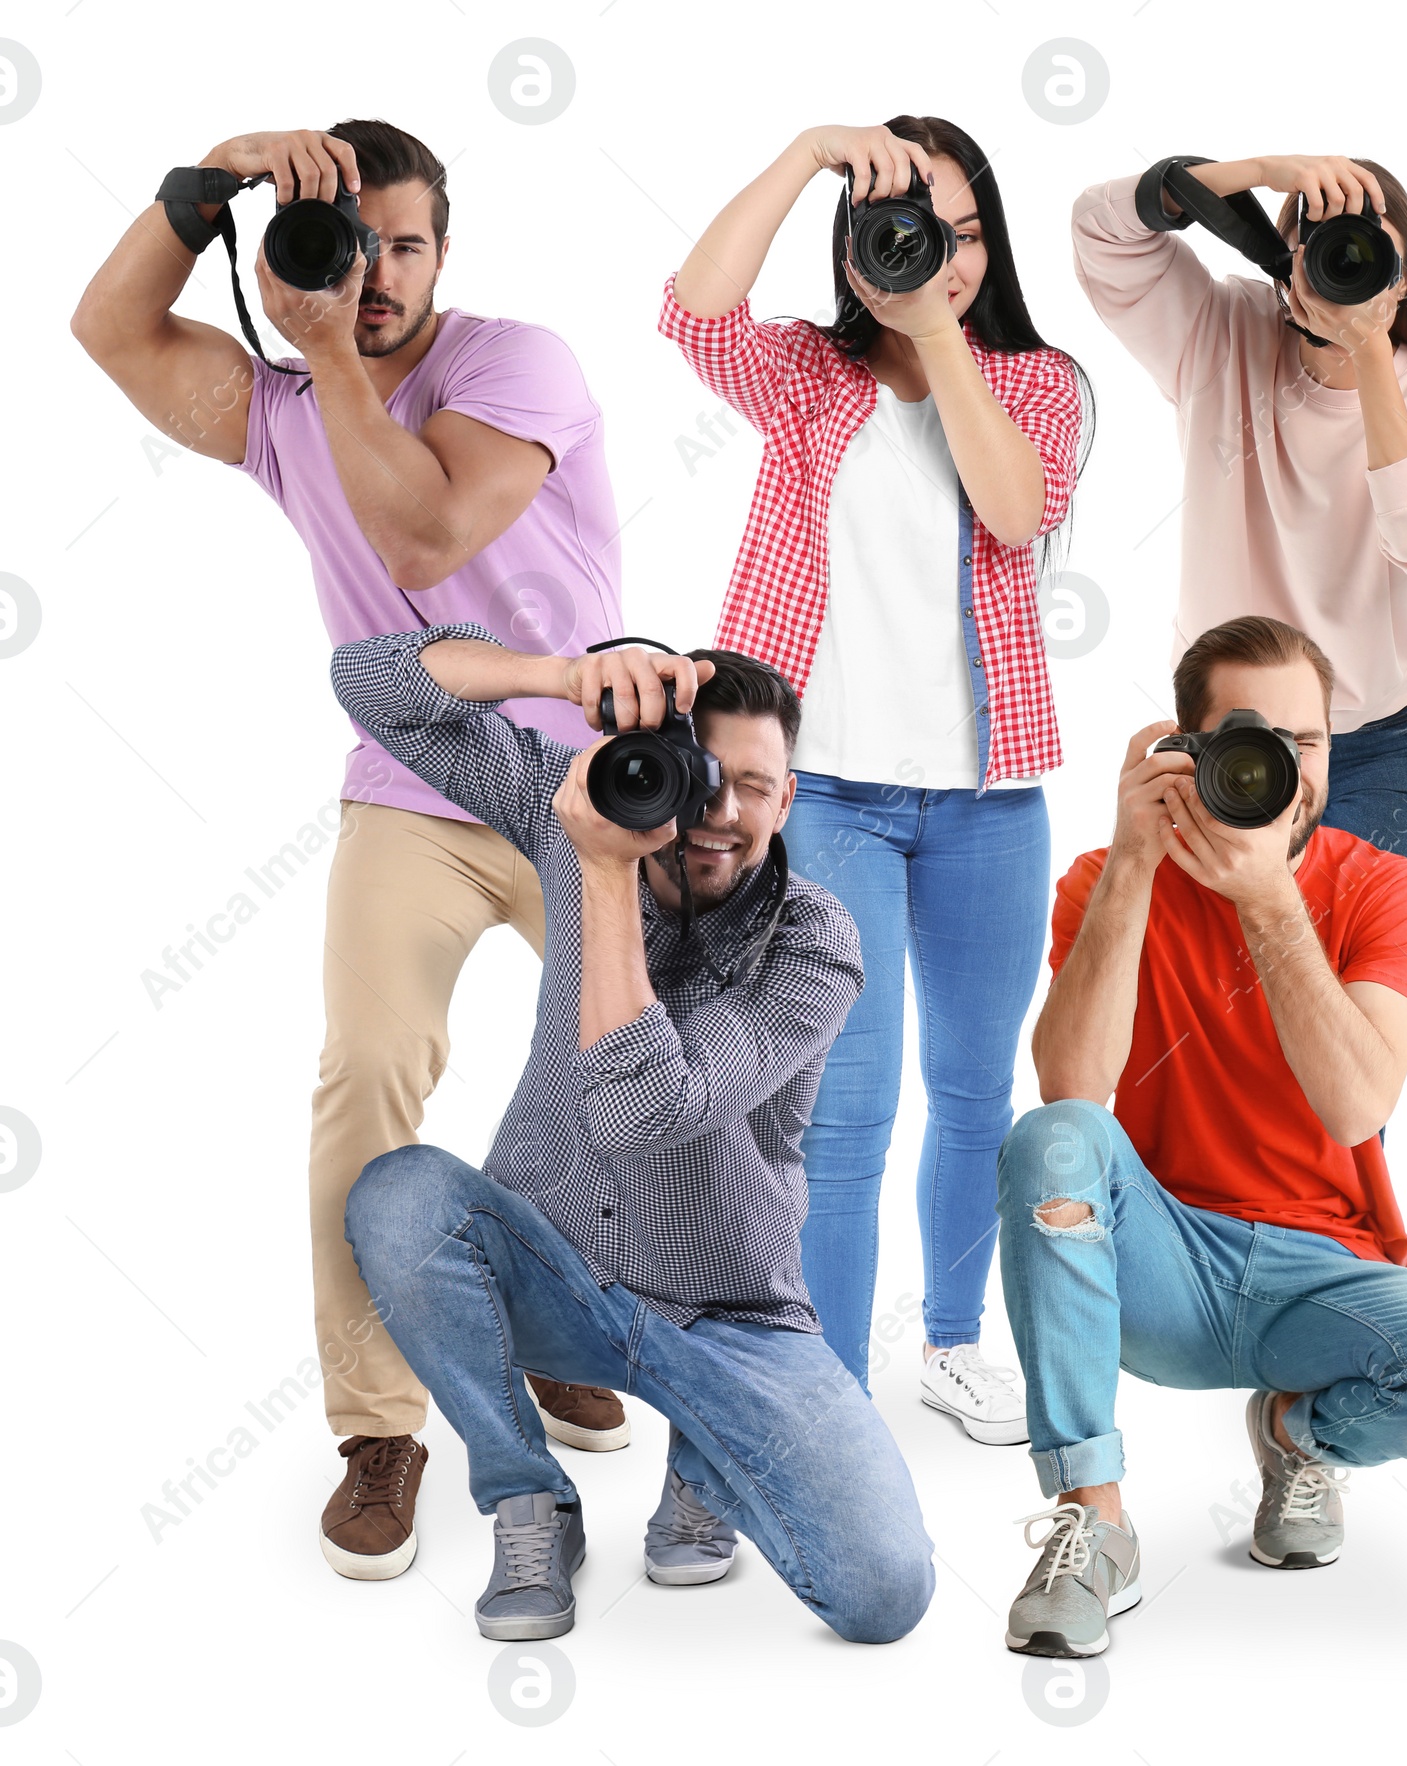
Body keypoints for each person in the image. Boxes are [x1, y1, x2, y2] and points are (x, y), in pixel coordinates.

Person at [70, 118, 632, 1580]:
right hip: (414, 778)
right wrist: (196, 187)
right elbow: (107, 325)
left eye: (404, 244)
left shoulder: (520, 363)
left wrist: (322, 356)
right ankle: (380, 1427)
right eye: (345, 245)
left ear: (447, 251)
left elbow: (431, 533)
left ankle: (555, 1319)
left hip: (584, 777)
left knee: (629, 1067)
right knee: (369, 1068)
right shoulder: (274, 406)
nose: (373, 274)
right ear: (287, 258)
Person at [329, 623, 936, 1645]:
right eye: (700, 777)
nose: (721, 813)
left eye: (756, 784)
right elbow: (368, 683)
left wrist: (604, 874)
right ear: (646, 764)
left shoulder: (813, 939)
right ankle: (528, 1498)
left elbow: (643, 1109)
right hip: (553, 1272)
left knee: (885, 1592)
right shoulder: (566, 810)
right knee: (398, 1194)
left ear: (787, 799)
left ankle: (705, 1451)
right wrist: (558, 676)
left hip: (730, 1316)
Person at [659, 117, 1092, 1439]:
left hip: (987, 799)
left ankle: (956, 1343)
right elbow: (691, 308)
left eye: (960, 234)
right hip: (826, 789)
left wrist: (938, 326)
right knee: (842, 1109)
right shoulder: (801, 375)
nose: (935, 259)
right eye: (906, 233)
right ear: (852, 250)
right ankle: (827, 1395)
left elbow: (1016, 510)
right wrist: (802, 159)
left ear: (989, 243)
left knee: (975, 1093)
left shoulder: (1037, 381)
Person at [997, 615, 1407, 1660]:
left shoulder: (1382, 887)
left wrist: (1267, 896)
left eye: (1305, 738)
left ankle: (1296, 1432)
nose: (1277, 761)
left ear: (1328, 748)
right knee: (1047, 1135)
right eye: (1246, 734)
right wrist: (1136, 866)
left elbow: (1356, 1104)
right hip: (1160, 1267)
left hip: (1321, 1280)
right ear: (1184, 747)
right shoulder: (1107, 877)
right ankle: (1093, 1519)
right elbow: (1073, 1087)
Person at [1073, 154, 1407, 868]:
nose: (1342, 262)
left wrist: (1371, 356)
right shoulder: (1221, 328)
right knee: (1231, 965)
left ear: (1405, 277)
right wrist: (1262, 171)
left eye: (1366, 250)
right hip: (1231, 725)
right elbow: (1100, 230)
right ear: (1285, 265)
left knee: (1342, 974)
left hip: (1379, 744)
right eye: (1323, 245)